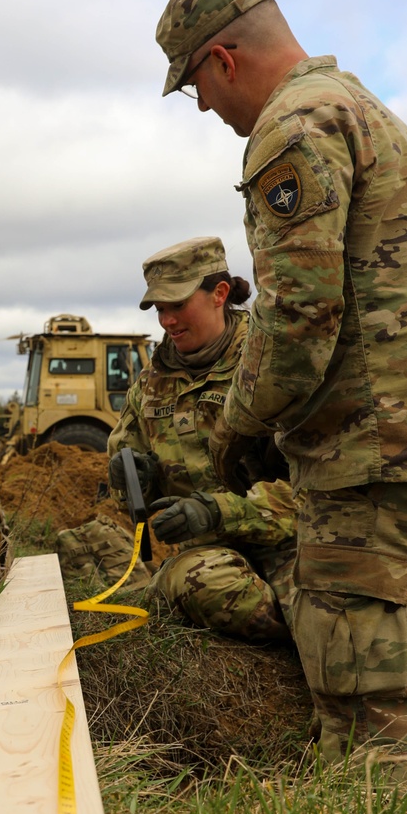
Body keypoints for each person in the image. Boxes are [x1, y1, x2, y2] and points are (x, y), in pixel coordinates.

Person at [155, 0, 407, 794]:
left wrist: (238, 425)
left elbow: (298, 317)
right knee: (353, 683)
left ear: (224, 61)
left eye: (196, 85)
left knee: (378, 717)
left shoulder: (293, 127)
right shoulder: (356, 107)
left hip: (388, 455)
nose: (203, 107)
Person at [107, 235, 296, 644]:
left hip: (289, 541)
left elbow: (314, 489)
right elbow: (130, 487)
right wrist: (131, 478)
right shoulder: (148, 386)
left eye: (177, 305)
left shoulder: (273, 366)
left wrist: (216, 510)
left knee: (336, 626)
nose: (167, 321)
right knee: (207, 584)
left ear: (219, 293)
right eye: (160, 309)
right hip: (208, 559)